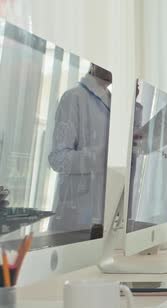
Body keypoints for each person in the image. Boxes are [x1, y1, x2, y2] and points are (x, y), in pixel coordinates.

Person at [48, 63, 112, 232]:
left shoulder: (114, 103)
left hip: (106, 217)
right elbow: (58, 159)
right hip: (75, 220)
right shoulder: (73, 97)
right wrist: (101, 156)